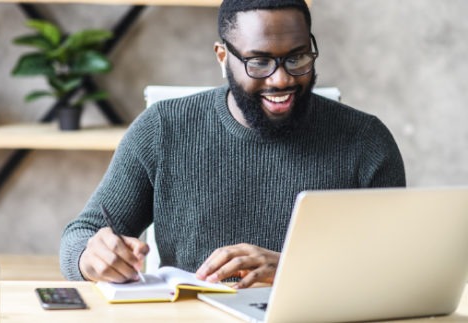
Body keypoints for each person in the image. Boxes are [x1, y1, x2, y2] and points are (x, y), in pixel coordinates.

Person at [60, 0, 406, 289]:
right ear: (222, 57)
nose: (281, 78)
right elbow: (79, 236)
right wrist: (91, 257)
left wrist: (290, 269)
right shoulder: (161, 129)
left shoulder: (366, 141)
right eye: (259, 62)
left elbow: (397, 268)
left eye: (298, 58)